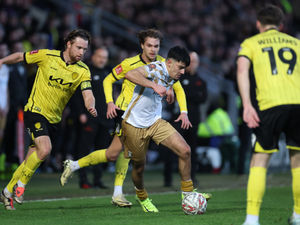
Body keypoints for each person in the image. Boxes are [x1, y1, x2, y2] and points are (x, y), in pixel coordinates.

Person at [60, 28, 192, 207]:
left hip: (148, 117)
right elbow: (108, 80)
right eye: (149, 45)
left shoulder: (165, 63)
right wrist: (109, 102)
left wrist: (183, 110)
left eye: (157, 46)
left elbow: (178, 88)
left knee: (113, 153)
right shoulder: (130, 63)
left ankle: (75, 166)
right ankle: (117, 193)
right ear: (142, 46)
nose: (153, 50)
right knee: (121, 153)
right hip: (125, 112)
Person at [0, 29, 97, 210]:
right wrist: (2, 61)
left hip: (54, 120)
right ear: (68, 44)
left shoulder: (83, 70)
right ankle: (21, 186)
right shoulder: (46, 56)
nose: (82, 53)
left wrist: (90, 105)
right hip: (35, 111)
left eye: (85, 49)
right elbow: (21, 57)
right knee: (45, 150)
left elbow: (88, 93)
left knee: (32, 158)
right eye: (78, 48)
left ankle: (7, 191)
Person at [121, 46, 210, 212]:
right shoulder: (155, 68)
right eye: (181, 67)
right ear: (169, 62)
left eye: (185, 68)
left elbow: (173, 85)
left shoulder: (172, 74)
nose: (183, 72)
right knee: (139, 168)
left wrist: (173, 96)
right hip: (133, 124)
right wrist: (154, 86)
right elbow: (130, 74)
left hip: (155, 122)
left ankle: (188, 194)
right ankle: (142, 197)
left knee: (185, 151)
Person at [237, 5, 300, 225]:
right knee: (298, 161)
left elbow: (242, 69)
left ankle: (252, 219)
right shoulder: (297, 43)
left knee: (260, 160)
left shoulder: (251, 43)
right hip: (298, 104)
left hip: (270, 105)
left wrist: (247, 105)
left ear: (258, 24)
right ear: (281, 25)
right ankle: (299, 215)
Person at [161, 51, 207, 187]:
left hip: (193, 120)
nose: (192, 64)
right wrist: (192, 95)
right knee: (172, 148)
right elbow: (180, 95)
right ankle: (167, 179)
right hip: (177, 120)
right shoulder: (177, 78)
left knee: (191, 149)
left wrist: (188, 94)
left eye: (195, 61)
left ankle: (191, 178)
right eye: (190, 61)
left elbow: (203, 98)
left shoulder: (201, 81)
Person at [71, 47, 112, 189]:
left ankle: (97, 179)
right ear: (94, 56)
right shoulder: (85, 71)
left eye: (104, 57)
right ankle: (83, 180)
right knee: (84, 149)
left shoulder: (108, 72)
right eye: (100, 56)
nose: (102, 60)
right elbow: (76, 95)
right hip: (90, 118)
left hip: (105, 119)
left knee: (102, 151)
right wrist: (80, 113)